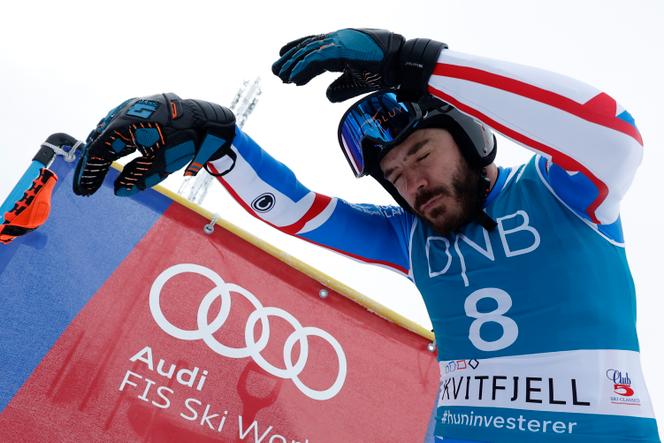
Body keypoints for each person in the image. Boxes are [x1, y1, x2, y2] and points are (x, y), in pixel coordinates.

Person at [72, 28, 660, 442]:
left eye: (422, 154)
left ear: (473, 138)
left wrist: (420, 63)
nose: (412, 184)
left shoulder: (564, 192)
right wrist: (222, 146)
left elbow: (614, 134)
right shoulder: (410, 237)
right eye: (396, 176)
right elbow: (300, 212)